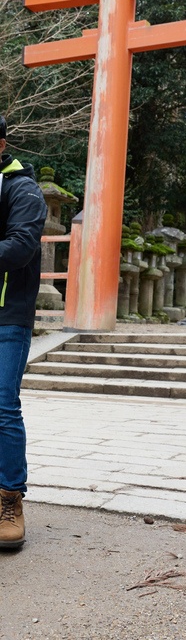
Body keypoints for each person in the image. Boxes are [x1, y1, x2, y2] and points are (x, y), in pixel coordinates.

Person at [0, 115, 47, 548]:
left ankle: (10, 498)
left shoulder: (24, 190)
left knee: (3, 404)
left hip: (8, 317)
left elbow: (19, 248)